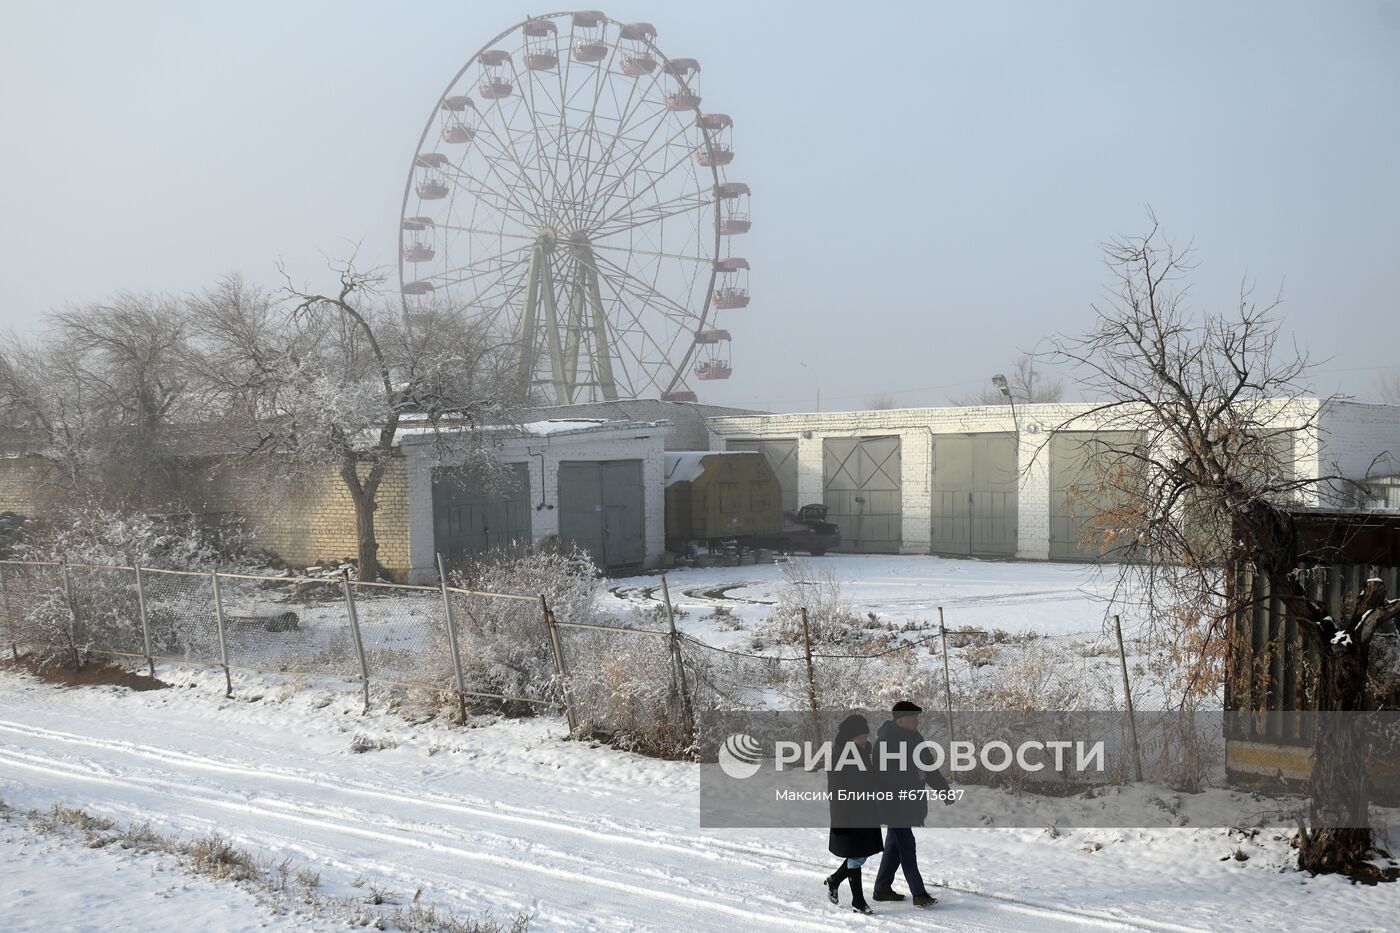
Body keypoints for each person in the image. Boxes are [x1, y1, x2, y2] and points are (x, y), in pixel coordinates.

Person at [872, 700, 950, 908]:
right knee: (906, 845)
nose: (917, 721)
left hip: (909, 801)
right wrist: (913, 776)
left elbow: (929, 767)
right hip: (892, 804)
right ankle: (919, 894)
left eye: (918, 717)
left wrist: (944, 790)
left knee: (894, 847)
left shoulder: (916, 738)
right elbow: (884, 775)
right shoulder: (886, 741)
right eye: (913, 717)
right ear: (900, 720)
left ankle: (881, 889)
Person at [824, 713, 883, 915]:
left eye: (865, 736)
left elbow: (873, 779)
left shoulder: (864, 753)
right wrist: (840, 820)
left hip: (866, 811)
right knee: (856, 856)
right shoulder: (839, 756)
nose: (864, 739)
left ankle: (834, 880)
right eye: (860, 737)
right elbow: (835, 790)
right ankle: (858, 901)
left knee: (861, 853)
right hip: (849, 813)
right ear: (850, 737)